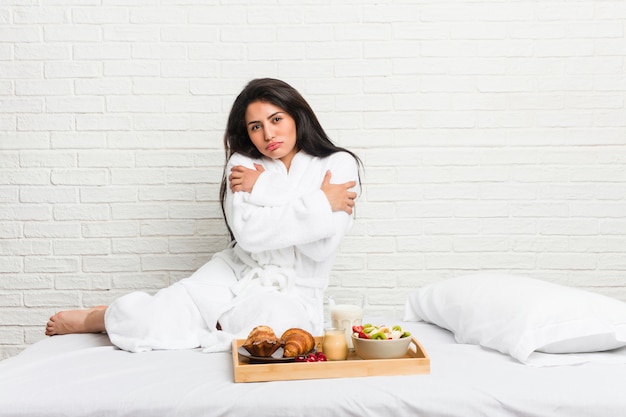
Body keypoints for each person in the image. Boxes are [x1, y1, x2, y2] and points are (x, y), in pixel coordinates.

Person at [45, 78, 362, 353]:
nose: (268, 134)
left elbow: (321, 247)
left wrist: (263, 189)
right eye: (256, 127)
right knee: (150, 320)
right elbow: (251, 236)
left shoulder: (338, 163)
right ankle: (97, 318)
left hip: (294, 293)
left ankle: (215, 323)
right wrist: (319, 203)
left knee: (277, 330)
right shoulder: (243, 163)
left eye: (276, 119)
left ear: (296, 115)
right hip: (236, 272)